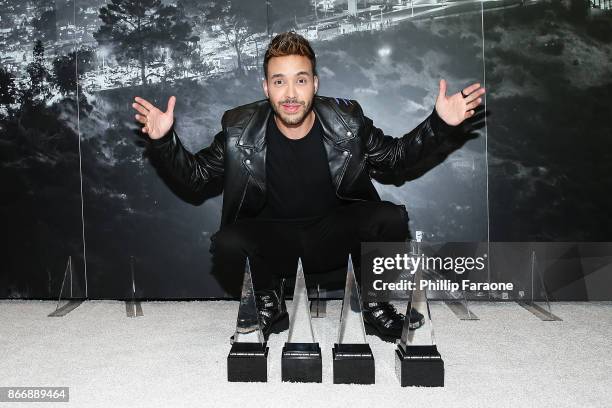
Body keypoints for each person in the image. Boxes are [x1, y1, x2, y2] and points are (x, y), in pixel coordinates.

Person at [132, 31, 485, 343]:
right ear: (266, 87)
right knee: (227, 241)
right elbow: (196, 177)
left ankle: (373, 304)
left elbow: (395, 159)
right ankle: (269, 304)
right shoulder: (239, 130)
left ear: (315, 84)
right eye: (279, 81)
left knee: (389, 217)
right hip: (274, 245)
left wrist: (439, 124)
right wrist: (164, 141)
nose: (290, 93)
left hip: (334, 237)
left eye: (300, 81)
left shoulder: (348, 122)